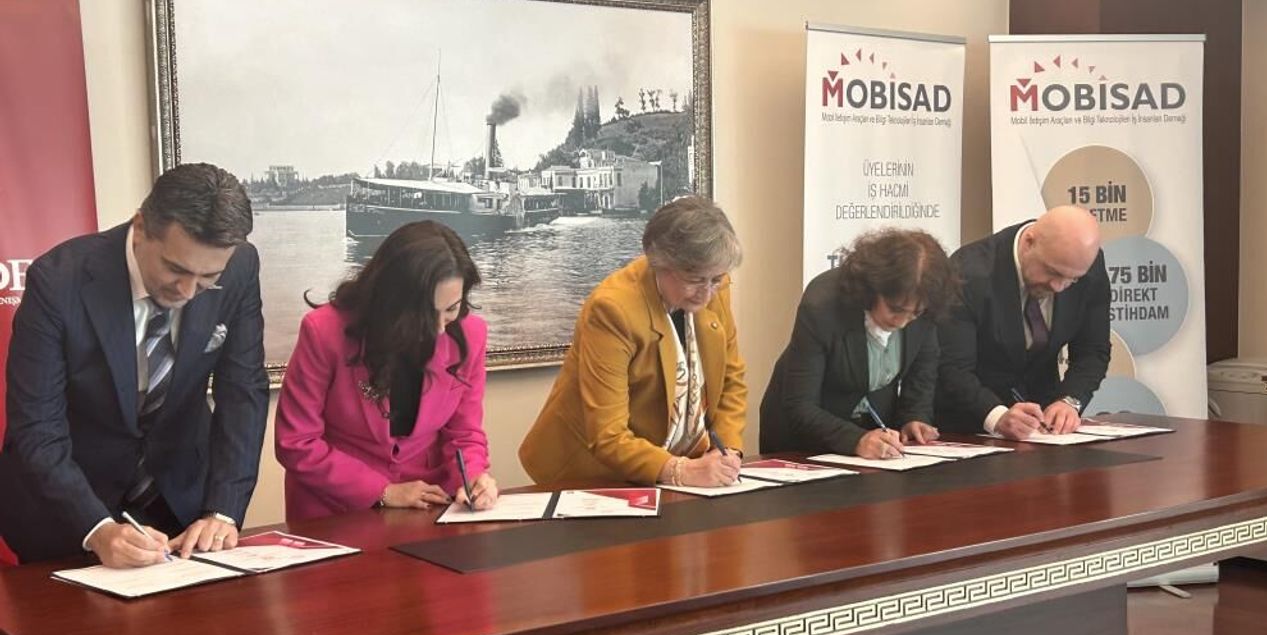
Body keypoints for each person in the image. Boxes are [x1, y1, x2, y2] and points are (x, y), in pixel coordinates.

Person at [0, 163, 268, 567]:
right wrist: (96, 528)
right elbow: (37, 426)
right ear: (140, 227)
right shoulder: (59, 280)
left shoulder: (241, 266)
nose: (188, 292)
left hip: (181, 506)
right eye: (176, 269)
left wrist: (222, 510)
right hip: (69, 514)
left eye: (207, 278)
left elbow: (243, 392)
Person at [275, 220, 498, 521]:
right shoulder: (324, 331)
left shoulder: (470, 335)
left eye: (451, 309)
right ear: (392, 300)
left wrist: (473, 476)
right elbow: (296, 442)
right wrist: (383, 491)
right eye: (424, 313)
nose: (437, 329)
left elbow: (464, 433)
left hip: (430, 505)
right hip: (335, 508)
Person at [519, 196, 747, 488]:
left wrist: (727, 451)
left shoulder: (714, 284)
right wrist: (681, 471)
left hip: (678, 465)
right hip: (592, 475)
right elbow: (608, 434)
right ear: (660, 263)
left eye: (716, 279)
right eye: (694, 279)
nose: (707, 293)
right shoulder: (612, 309)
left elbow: (730, 379)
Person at [760, 228, 959, 459]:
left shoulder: (924, 308)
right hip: (801, 441)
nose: (902, 322)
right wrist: (856, 440)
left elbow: (922, 371)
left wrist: (914, 417)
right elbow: (800, 405)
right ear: (874, 288)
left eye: (914, 313)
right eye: (895, 309)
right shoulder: (822, 306)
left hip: (872, 438)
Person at [936, 205, 1111, 439]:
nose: (1058, 286)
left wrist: (1069, 401)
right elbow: (952, 366)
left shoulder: (1086, 266)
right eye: (1052, 272)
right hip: (968, 425)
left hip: (1042, 429)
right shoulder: (968, 271)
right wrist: (996, 416)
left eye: (1072, 279)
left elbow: (1093, 350)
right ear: (1029, 243)